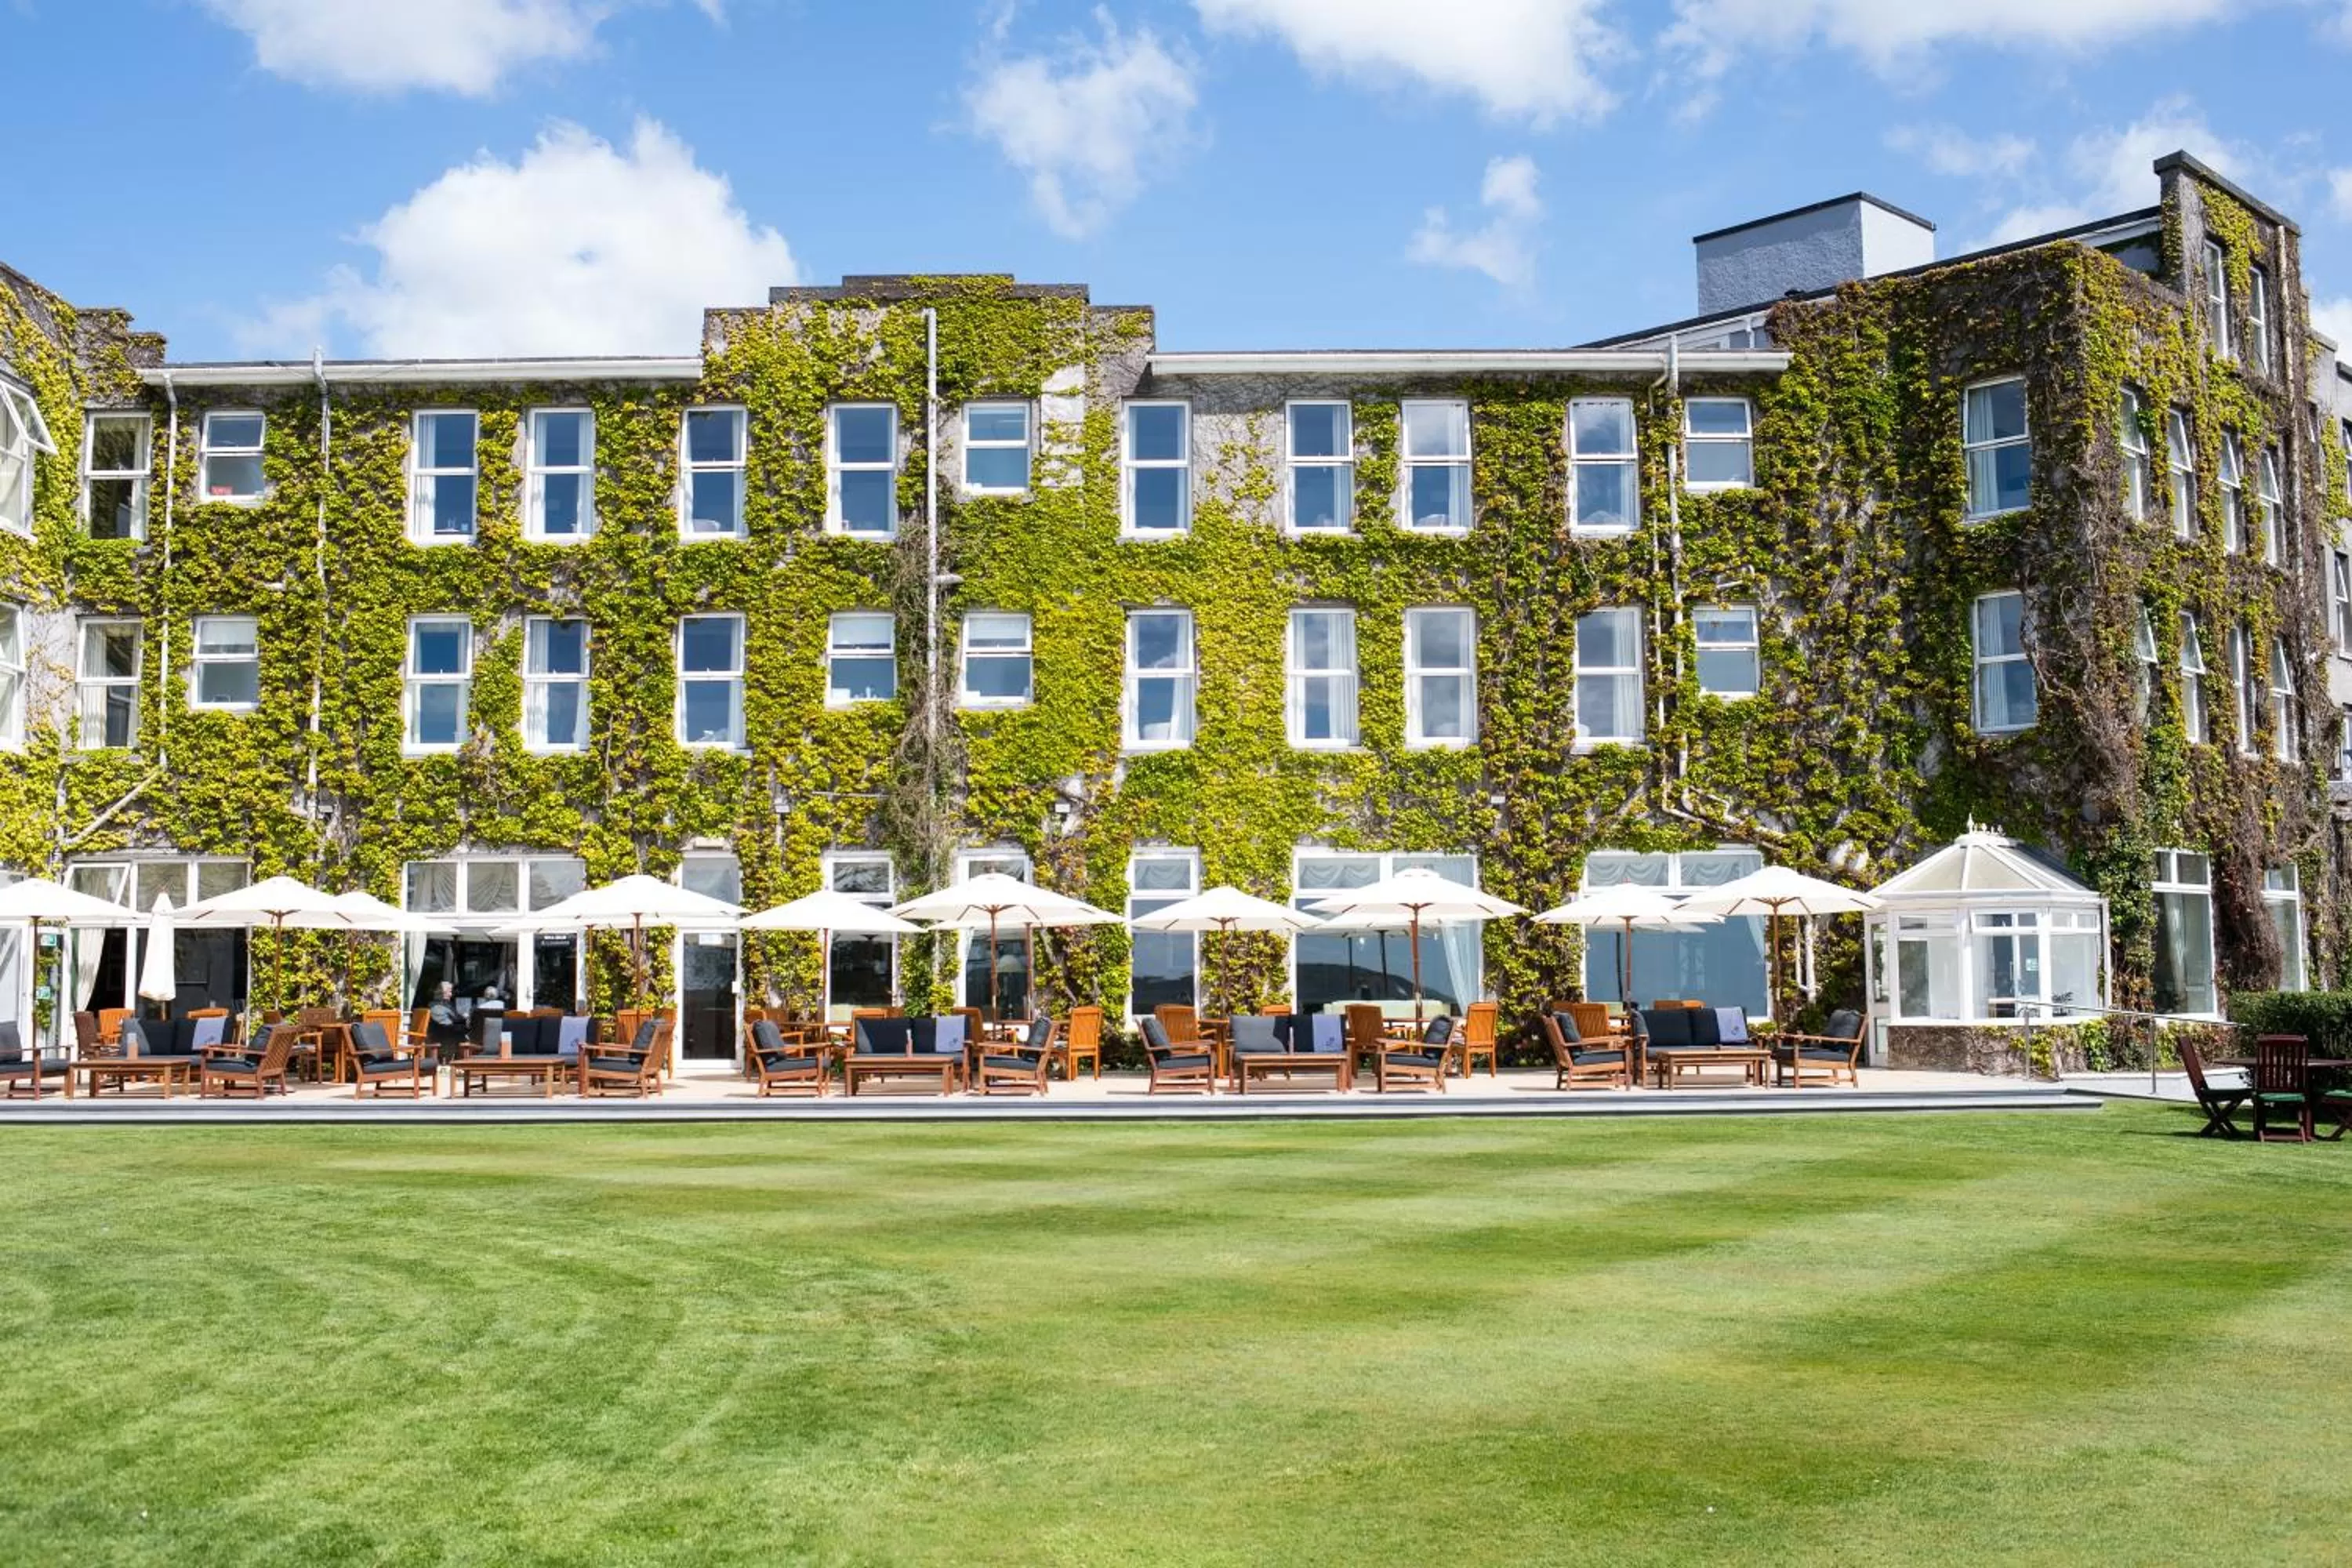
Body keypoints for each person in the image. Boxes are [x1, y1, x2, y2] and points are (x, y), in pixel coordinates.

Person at [426, 982, 465, 1051]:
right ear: (442, 992)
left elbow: (455, 1018)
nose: (451, 995)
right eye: (449, 992)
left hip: (449, 1037)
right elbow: (445, 1026)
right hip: (444, 1040)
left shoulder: (446, 1005)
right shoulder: (436, 1007)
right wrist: (464, 1027)